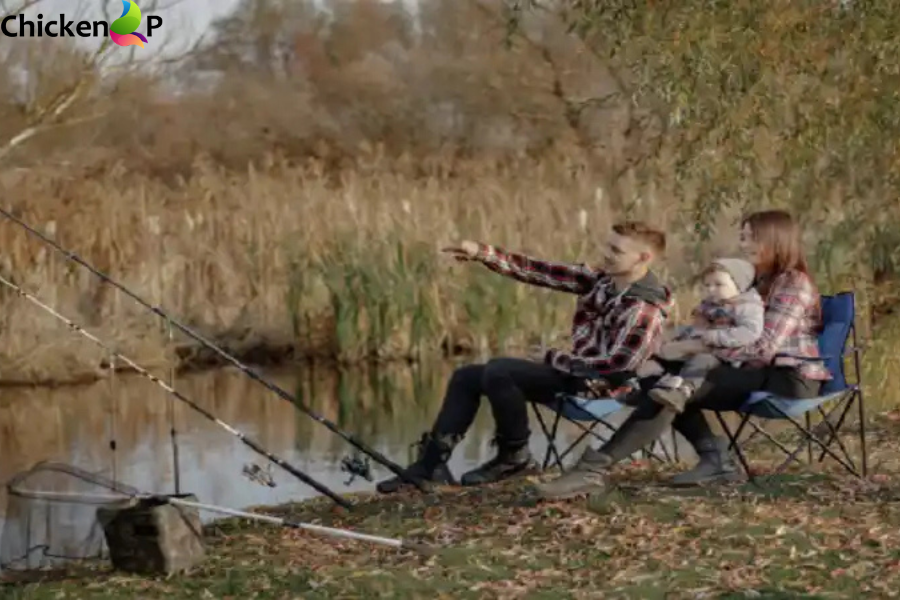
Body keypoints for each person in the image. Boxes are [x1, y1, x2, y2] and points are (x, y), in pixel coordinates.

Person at [536, 209, 832, 500]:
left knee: (675, 386)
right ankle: (714, 459)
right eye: (742, 237)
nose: (743, 245)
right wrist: (676, 343)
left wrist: (695, 346)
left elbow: (762, 347)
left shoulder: (793, 283)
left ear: (774, 239)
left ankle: (590, 470)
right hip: (748, 369)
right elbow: (723, 327)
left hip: (789, 379)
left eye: (749, 238)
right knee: (659, 382)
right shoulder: (755, 282)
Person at [375, 221, 674, 494]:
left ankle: (514, 458)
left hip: (602, 391)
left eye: (616, 250)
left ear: (643, 258)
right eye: (607, 245)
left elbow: (619, 369)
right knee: (467, 376)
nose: (605, 254)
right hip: (575, 375)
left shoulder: (643, 308)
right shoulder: (600, 281)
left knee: (501, 371)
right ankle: (430, 467)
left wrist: (554, 359)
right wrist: (481, 252)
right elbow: (537, 270)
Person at [640, 257, 764, 413]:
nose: (711, 289)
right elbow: (695, 327)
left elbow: (750, 332)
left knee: (701, 361)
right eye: (707, 285)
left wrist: (714, 336)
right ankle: (642, 384)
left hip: (725, 355)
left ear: (739, 286)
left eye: (719, 285)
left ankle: (683, 391)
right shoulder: (710, 305)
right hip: (700, 344)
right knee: (664, 353)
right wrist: (680, 335)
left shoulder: (746, 306)